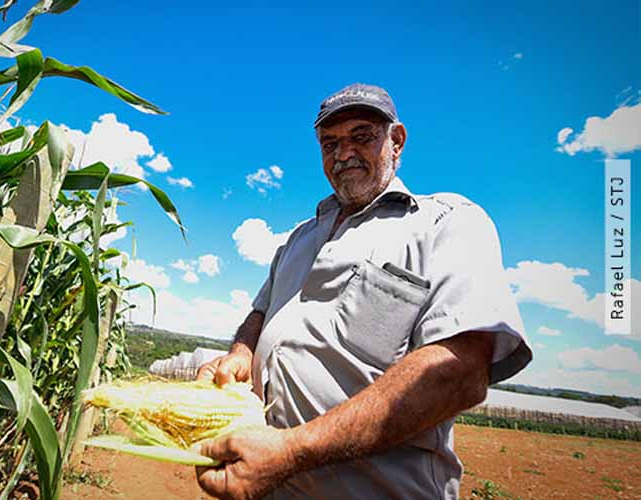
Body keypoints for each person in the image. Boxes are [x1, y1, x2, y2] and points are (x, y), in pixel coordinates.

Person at [194, 83, 532, 500]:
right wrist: (241, 353)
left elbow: (459, 373)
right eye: (329, 143)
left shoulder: (446, 223)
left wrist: (292, 451)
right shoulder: (299, 239)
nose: (343, 154)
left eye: (361, 136)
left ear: (397, 141)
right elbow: (259, 313)